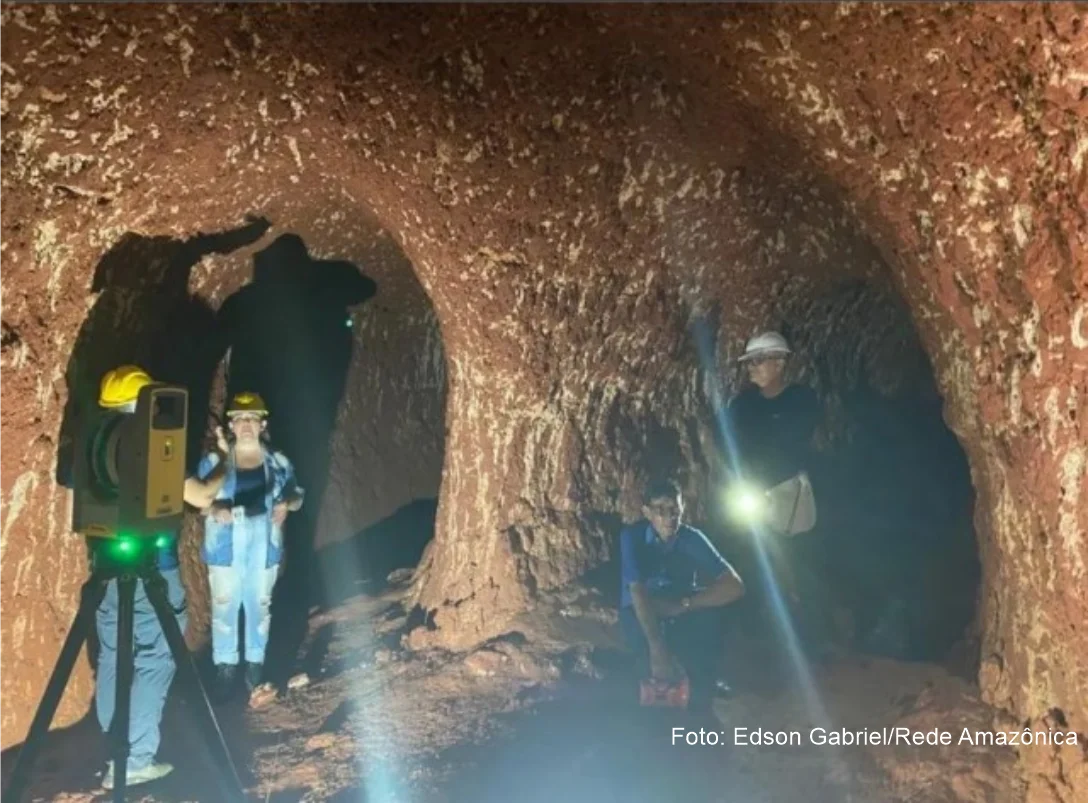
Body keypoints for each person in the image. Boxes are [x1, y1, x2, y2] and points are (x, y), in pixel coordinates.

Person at [91, 366, 229, 789]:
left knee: (114, 656)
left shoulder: (95, 441)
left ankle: (117, 752)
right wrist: (225, 459)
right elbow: (203, 497)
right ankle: (134, 760)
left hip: (106, 566)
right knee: (155, 657)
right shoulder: (150, 444)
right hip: (153, 566)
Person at [194, 391, 303, 702]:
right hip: (226, 542)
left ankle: (254, 668)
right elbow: (197, 501)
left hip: (263, 542)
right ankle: (225, 669)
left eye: (251, 419)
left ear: (262, 423)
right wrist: (215, 510)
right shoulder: (215, 461)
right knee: (225, 605)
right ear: (231, 424)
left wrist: (287, 504)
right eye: (239, 419)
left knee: (260, 605)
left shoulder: (278, 462)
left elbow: (296, 494)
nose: (245, 425)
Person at [619, 478, 745, 708]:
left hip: (678, 604)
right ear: (647, 512)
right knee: (641, 655)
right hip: (645, 605)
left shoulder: (691, 538)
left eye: (674, 509)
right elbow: (637, 591)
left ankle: (704, 680)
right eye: (660, 510)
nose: (669, 516)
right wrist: (656, 647)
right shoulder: (633, 538)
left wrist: (684, 604)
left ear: (682, 508)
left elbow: (734, 586)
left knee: (713, 618)